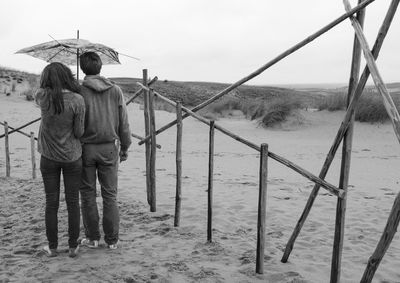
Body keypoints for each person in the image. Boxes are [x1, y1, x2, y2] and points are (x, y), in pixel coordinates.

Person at [78, 52, 132, 250]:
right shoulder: (115, 90)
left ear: (83, 68)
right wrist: (125, 147)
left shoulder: (79, 90)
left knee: (88, 195)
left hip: (85, 149)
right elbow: (124, 124)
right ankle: (112, 240)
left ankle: (92, 238)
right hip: (109, 148)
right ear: (100, 67)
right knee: (110, 195)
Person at [35, 62, 85, 258]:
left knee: (51, 202)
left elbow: (41, 91)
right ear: (67, 77)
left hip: (48, 157)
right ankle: (73, 246)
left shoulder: (42, 96)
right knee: (73, 202)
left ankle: (53, 247)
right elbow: (80, 132)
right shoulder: (78, 100)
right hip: (72, 157)